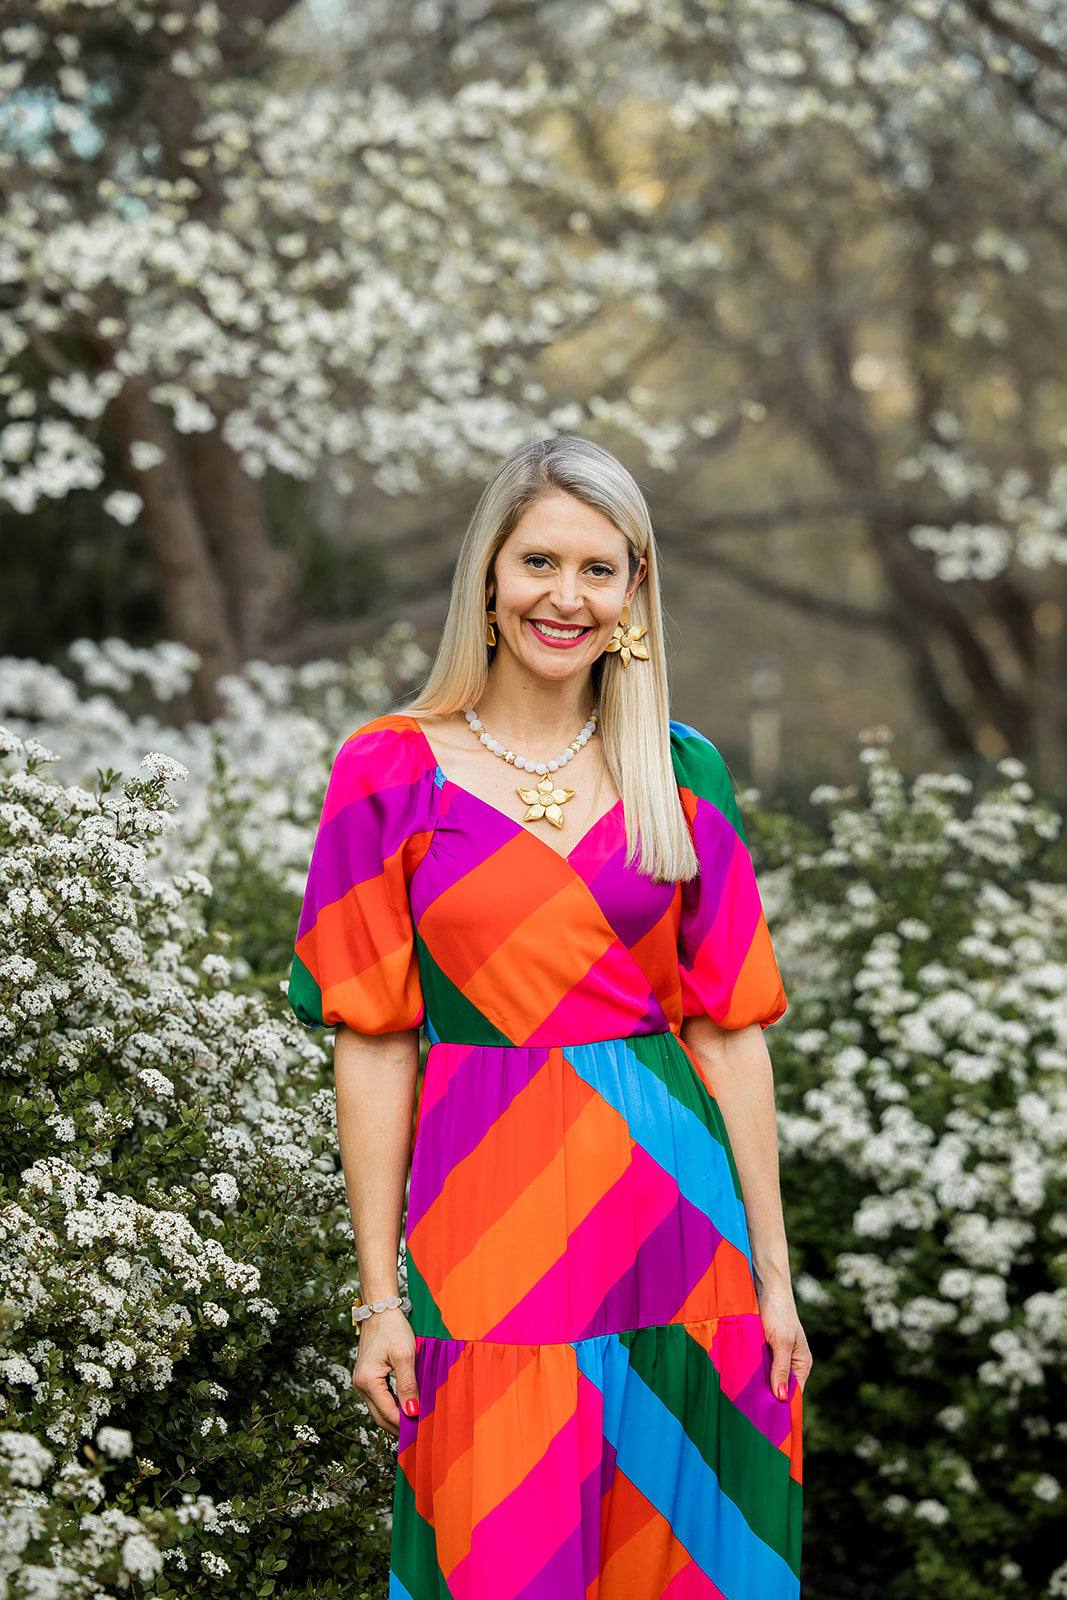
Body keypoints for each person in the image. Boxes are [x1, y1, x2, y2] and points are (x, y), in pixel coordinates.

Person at [290, 435, 811, 1600]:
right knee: (497, 1553)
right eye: (538, 562)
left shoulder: (681, 772)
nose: (563, 597)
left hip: (679, 1232)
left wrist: (774, 1280)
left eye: (597, 568)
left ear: (634, 591)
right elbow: (373, 1040)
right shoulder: (389, 770)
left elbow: (727, 1031)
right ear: (487, 574)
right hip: (485, 1233)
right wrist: (379, 1298)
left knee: (682, 1564)